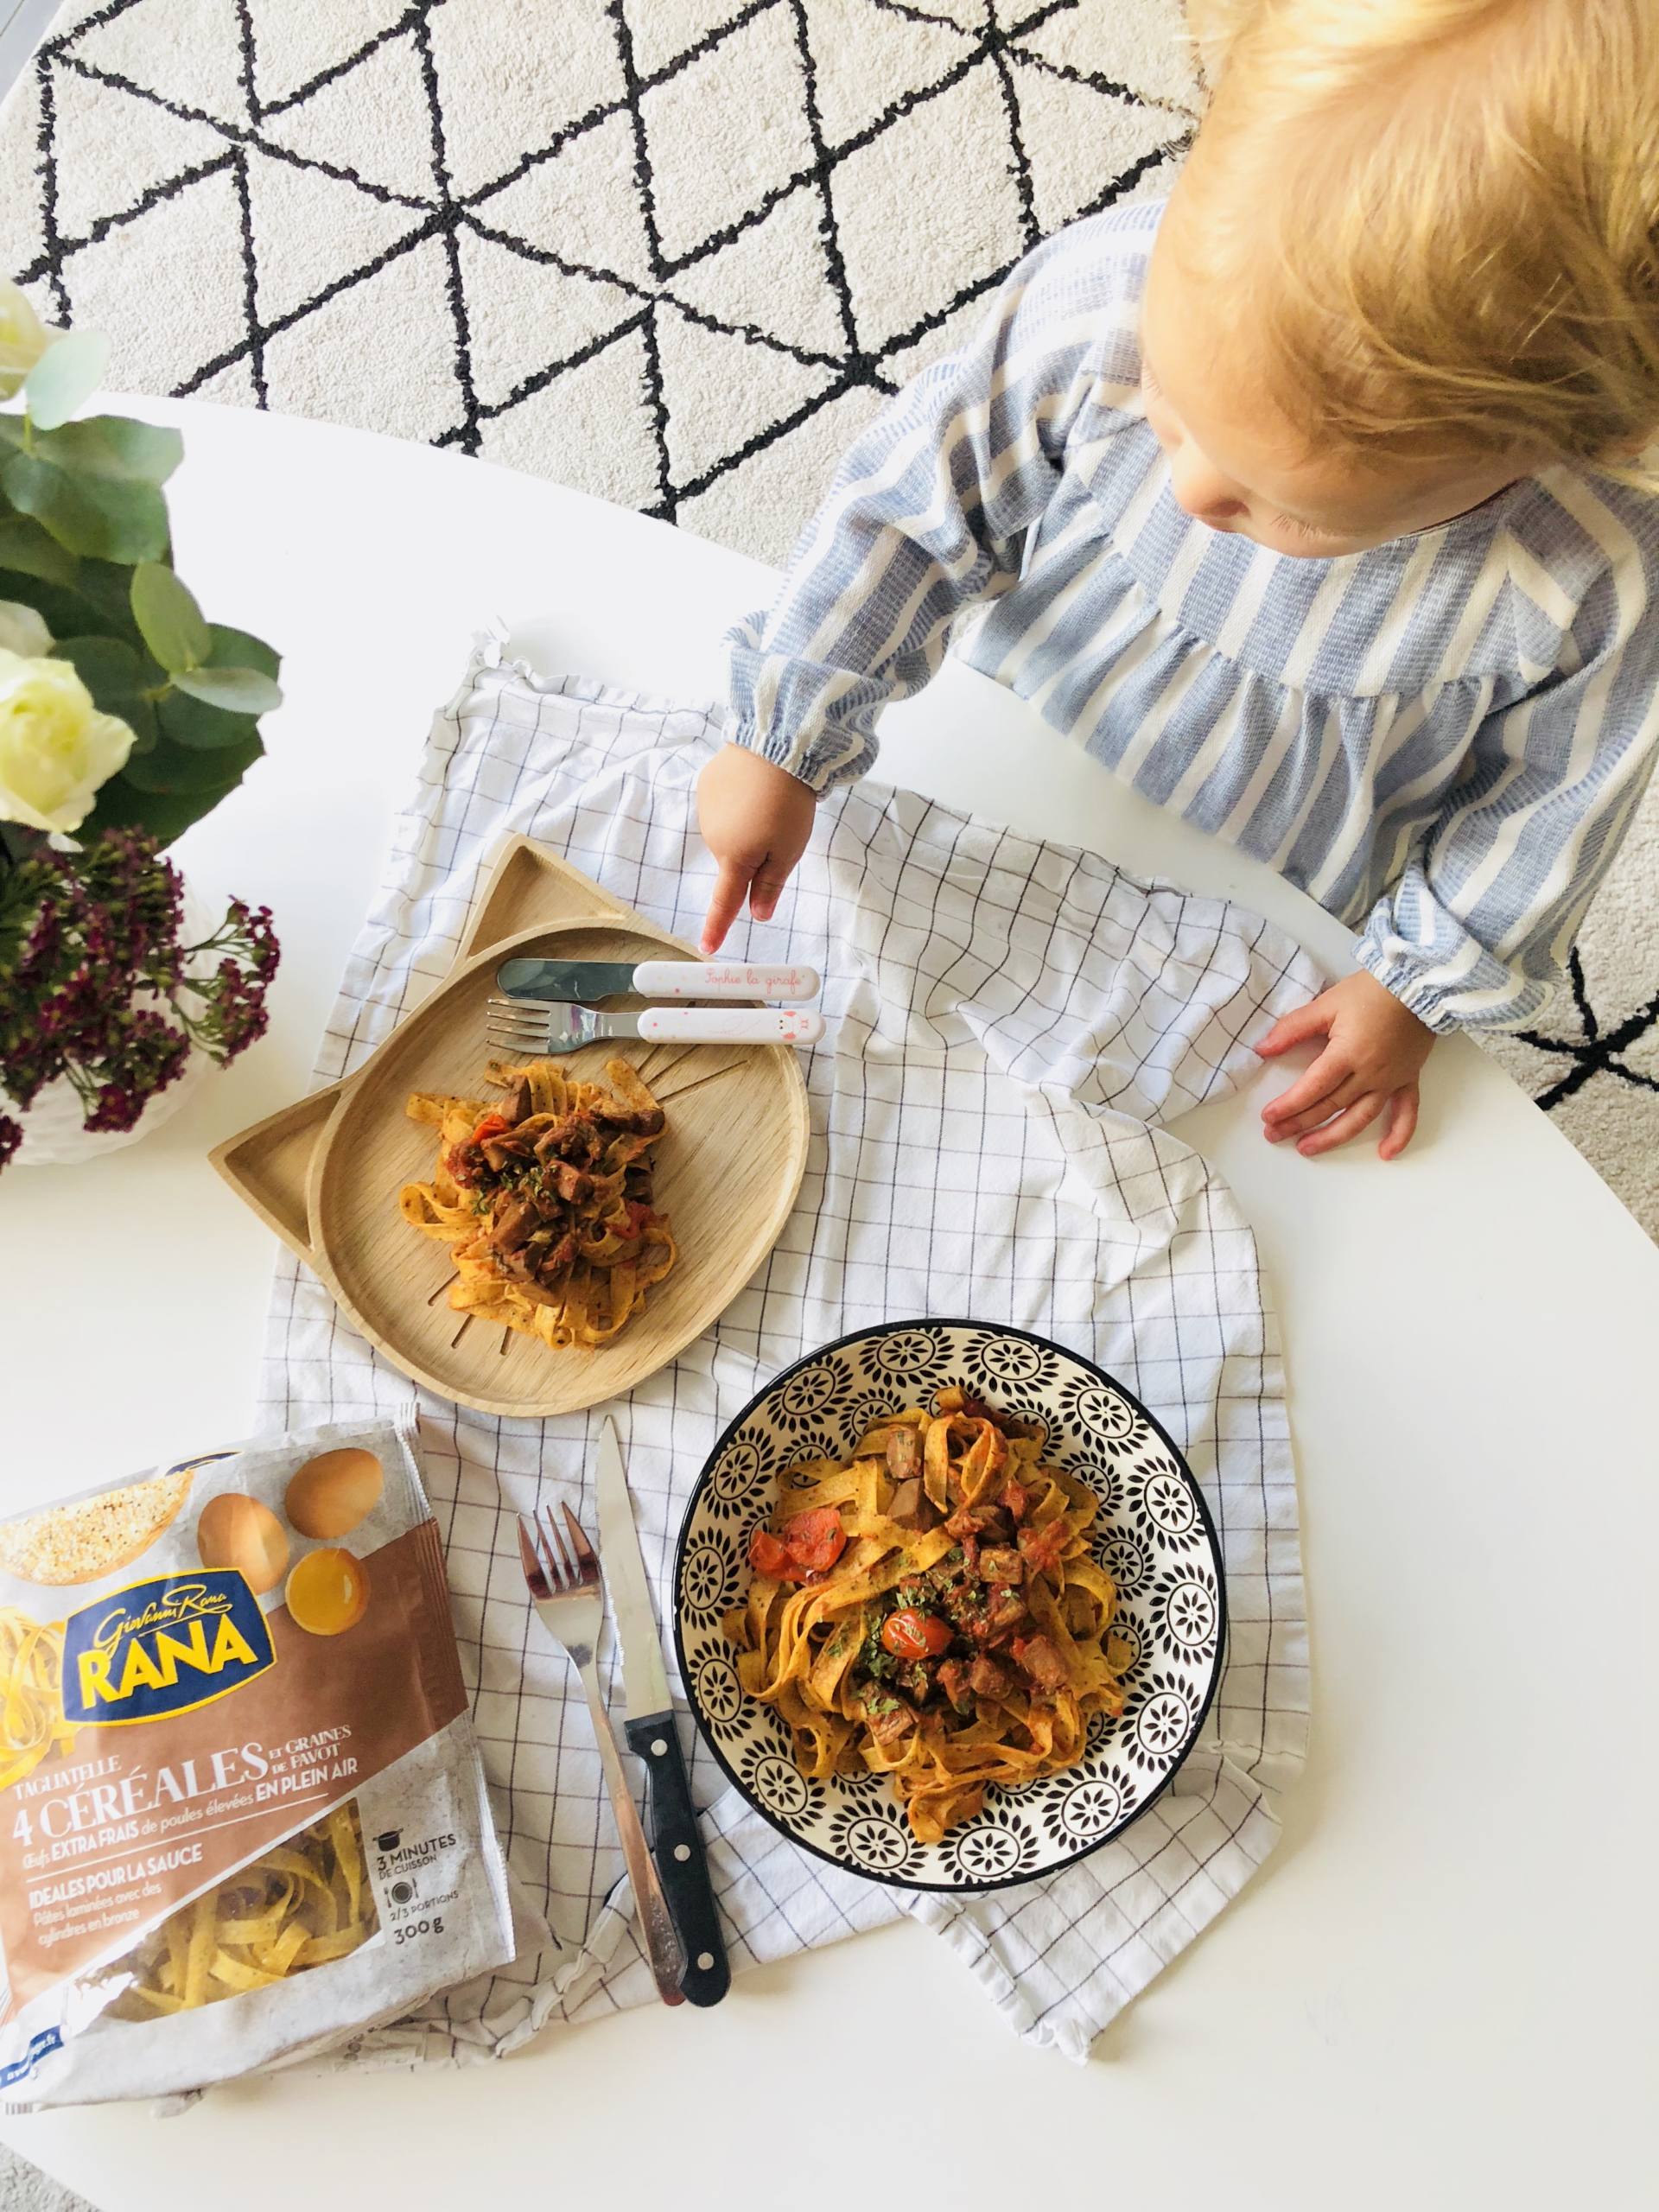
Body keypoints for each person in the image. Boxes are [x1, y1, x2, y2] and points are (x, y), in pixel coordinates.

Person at [696, 0, 1659, 1158]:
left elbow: (1551, 810)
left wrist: (1415, 989)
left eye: (1289, 504)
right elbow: (912, 508)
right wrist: (786, 729)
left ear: (1568, 439)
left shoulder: (1594, 577)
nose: (1192, 488)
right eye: (1167, 402)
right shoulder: (1108, 295)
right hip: (1002, 760)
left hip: (1261, 887)